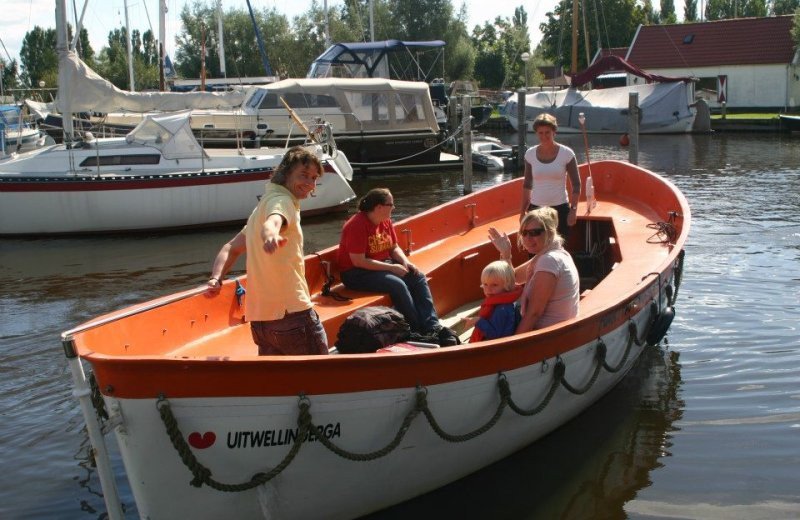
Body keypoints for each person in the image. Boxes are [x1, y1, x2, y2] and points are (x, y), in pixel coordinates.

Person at [208, 146, 329, 356]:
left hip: (261, 321)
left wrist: (216, 279)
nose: (310, 183)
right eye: (303, 175)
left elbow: (231, 248)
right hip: (291, 314)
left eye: (314, 177)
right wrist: (270, 234)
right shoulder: (283, 201)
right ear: (285, 174)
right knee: (316, 381)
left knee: (281, 384)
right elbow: (274, 220)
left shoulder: (260, 207)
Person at [336, 188, 441, 334]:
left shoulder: (385, 221)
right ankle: (416, 329)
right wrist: (391, 268)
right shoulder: (356, 225)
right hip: (356, 273)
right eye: (391, 204)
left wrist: (405, 262)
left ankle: (432, 326)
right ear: (379, 207)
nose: (394, 207)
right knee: (397, 284)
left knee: (417, 277)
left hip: (380, 265)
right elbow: (359, 261)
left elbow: (394, 248)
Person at [489, 207, 579, 332]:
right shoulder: (552, 253)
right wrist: (506, 254)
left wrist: (514, 344)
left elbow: (534, 313)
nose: (527, 238)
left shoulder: (549, 261)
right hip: (551, 331)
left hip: (547, 337)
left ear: (550, 232)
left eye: (535, 232)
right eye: (524, 233)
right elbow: (513, 278)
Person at [521, 113, 581, 239]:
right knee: (535, 250)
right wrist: (522, 212)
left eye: (547, 132)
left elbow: (576, 184)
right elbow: (527, 184)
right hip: (536, 209)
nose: (544, 136)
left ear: (554, 132)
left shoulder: (567, 154)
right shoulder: (530, 154)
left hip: (560, 209)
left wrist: (573, 210)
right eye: (540, 133)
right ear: (536, 133)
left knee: (558, 249)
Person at [464, 260, 523, 343]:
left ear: (507, 285)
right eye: (485, 284)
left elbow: (494, 335)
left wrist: (478, 321)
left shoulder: (503, 309)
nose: (488, 289)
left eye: (494, 285)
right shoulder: (501, 302)